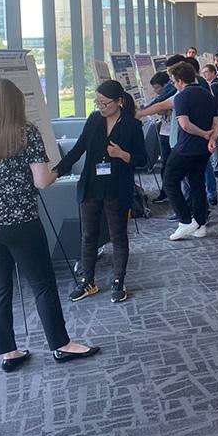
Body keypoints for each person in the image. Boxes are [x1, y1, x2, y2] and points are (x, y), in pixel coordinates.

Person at [0, 79, 99, 370]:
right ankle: (61, 345)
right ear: (16, 103)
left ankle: (8, 353)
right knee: (43, 285)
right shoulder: (27, 134)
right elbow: (41, 181)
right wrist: (59, 171)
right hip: (19, 223)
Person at [56, 80, 148, 304]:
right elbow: (78, 149)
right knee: (88, 235)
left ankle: (119, 280)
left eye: (105, 103)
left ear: (118, 102)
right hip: (91, 186)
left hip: (117, 188)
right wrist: (57, 170)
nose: (101, 107)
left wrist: (122, 155)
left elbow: (143, 160)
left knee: (118, 236)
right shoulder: (94, 120)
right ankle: (87, 280)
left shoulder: (131, 125)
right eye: (98, 102)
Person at [163, 62, 218, 240]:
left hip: (186, 147)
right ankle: (200, 224)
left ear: (180, 80)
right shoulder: (207, 94)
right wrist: (211, 139)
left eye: (173, 81)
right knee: (197, 184)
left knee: (169, 181)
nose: (173, 84)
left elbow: (185, 125)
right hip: (203, 150)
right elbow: (217, 124)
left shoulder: (182, 97)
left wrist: (204, 134)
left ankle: (185, 220)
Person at [146, 70, 176, 205]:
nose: (156, 91)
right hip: (165, 132)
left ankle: (169, 192)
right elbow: (160, 109)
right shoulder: (166, 95)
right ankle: (166, 192)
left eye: (157, 88)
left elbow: (163, 109)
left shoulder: (173, 93)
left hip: (173, 133)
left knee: (170, 166)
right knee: (166, 164)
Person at [202, 63, 218, 203]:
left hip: (214, 120)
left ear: (212, 72)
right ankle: (216, 167)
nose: (205, 75)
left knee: (214, 144)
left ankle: (217, 168)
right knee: (215, 144)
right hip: (215, 118)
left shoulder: (214, 86)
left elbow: (214, 103)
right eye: (203, 72)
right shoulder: (213, 85)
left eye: (207, 72)